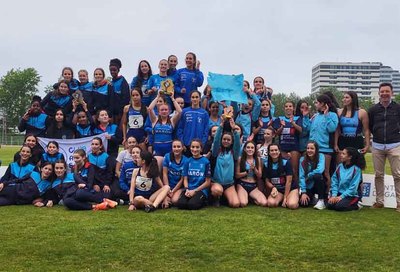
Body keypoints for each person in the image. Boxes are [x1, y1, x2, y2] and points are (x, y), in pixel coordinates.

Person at [368, 83, 400, 211]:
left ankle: (399, 203)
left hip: (395, 145)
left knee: (398, 175)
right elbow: (369, 126)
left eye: (387, 91)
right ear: (379, 93)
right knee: (378, 175)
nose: (384, 93)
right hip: (377, 145)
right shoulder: (373, 110)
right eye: (382, 91)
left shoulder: (398, 108)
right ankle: (379, 202)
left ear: (392, 93)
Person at [309, 94, 339, 194]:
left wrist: (326, 116)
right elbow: (310, 131)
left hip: (326, 149)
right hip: (314, 149)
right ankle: (315, 193)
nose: (315, 104)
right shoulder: (316, 116)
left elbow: (332, 129)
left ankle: (326, 194)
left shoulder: (333, 115)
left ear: (323, 104)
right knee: (314, 172)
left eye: (317, 102)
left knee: (325, 172)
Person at [210, 118, 241, 208]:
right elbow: (215, 141)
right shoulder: (216, 151)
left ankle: (224, 198)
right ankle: (216, 198)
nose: (226, 141)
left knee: (235, 204)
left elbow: (238, 145)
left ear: (231, 142)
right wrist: (220, 126)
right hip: (216, 182)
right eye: (224, 139)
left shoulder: (234, 153)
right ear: (221, 140)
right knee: (217, 190)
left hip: (229, 184)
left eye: (228, 140)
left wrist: (234, 129)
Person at [148, 92, 182, 170]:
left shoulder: (172, 120)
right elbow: (150, 109)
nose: (164, 111)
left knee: (168, 168)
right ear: (159, 112)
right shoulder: (155, 120)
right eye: (162, 110)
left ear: (169, 111)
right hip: (157, 147)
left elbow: (179, 111)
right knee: (158, 168)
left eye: (166, 110)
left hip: (168, 147)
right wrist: (157, 97)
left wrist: (173, 99)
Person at [334, 91, 370, 159]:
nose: (344, 99)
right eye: (343, 97)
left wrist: (367, 145)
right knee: (341, 163)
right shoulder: (339, 112)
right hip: (343, 141)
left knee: (356, 163)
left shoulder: (362, 112)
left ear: (353, 99)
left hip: (356, 141)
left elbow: (366, 130)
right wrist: (335, 144)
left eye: (347, 97)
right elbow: (337, 130)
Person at [176, 139, 211, 210]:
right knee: (181, 204)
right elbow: (185, 179)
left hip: (200, 190)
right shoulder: (187, 161)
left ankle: (204, 201)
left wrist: (195, 191)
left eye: (197, 147)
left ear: (201, 149)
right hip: (189, 189)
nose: (195, 149)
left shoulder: (206, 162)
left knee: (192, 205)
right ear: (190, 148)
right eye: (193, 147)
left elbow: (208, 182)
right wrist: (187, 189)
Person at [327, 147, 365, 211]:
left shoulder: (356, 169)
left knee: (340, 207)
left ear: (350, 157)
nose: (341, 155)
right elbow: (334, 181)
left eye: (343, 154)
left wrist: (341, 197)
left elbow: (353, 188)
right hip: (339, 193)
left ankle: (357, 205)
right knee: (330, 205)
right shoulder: (340, 166)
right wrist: (334, 195)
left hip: (351, 195)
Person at [263, 144, 299, 209]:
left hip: (291, 189)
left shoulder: (286, 162)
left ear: (279, 151)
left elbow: (289, 181)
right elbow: (267, 181)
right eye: (272, 150)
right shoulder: (266, 164)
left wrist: (285, 197)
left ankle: (294, 197)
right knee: (271, 203)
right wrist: (273, 187)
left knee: (292, 205)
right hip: (278, 190)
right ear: (269, 152)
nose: (274, 152)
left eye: (276, 150)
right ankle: (281, 199)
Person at [276, 101, 303, 185]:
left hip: (294, 147)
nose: (288, 108)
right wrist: (282, 127)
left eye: (290, 106)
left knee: (294, 169)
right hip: (282, 148)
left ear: (293, 108)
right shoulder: (280, 118)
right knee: (283, 169)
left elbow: (301, 130)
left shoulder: (298, 118)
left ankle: (297, 188)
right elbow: (276, 133)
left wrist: (293, 123)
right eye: (286, 106)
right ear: (284, 108)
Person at [176, 90, 210, 156]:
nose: (195, 99)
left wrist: (202, 144)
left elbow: (206, 131)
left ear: (200, 99)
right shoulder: (185, 112)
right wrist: (182, 143)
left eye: (197, 97)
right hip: (186, 145)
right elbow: (180, 129)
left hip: (198, 146)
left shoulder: (204, 113)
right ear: (190, 99)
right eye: (193, 97)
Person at [235, 141, 267, 207]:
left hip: (253, 185)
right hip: (242, 184)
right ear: (244, 149)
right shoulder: (240, 159)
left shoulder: (258, 159)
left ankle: (251, 198)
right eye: (248, 147)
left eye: (252, 148)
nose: (250, 149)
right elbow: (237, 175)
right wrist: (247, 171)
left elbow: (259, 176)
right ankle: (247, 197)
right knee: (243, 203)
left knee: (264, 203)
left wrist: (254, 169)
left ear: (255, 149)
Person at [299, 141, 326, 209]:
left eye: (312, 148)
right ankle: (313, 198)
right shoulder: (302, 159)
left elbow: (320, 170)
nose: (309, 150)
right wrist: (304, 192)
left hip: (319, 183)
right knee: (303, 204)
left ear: (316, 150)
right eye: (308, 148)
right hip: (308, 185)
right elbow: (301, 176)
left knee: (317, 175)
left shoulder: (321, 156)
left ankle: (321, 200)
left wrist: (308, 175)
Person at [162, 140, 188, 208]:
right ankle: (167, 200)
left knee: (175, 200)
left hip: (178, 186)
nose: (176, 149)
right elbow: (164, 174)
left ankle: (170, 200)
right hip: (168, 185)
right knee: (165, 197)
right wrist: (167, 189)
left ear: (182, 148)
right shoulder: (167, 157)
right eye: (174, 147)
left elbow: (182, 180)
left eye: (178, 147)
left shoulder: (186, 160)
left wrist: (173, 191)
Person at [109, 58, 130, 125]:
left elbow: (126, 98)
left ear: (118, 70)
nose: (112, 72)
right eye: (111, 70)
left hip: (120, 113)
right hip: (111, 113)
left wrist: (121, 112)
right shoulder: (110, 82)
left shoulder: (122, 81)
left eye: (114, 70)